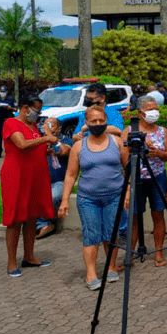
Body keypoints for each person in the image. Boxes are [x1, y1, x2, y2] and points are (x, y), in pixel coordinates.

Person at [59, 106, 128, 290]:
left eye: (101, 121)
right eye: (93, 121)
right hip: (88, 198)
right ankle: (91, 274)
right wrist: (65, 200)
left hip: (114, 196)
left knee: (112, 234)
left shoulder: (117, 142)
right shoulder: (79, 146)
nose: (98, 124)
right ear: (86, 123)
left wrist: (127, 193)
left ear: (106, 121)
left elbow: (128, 169)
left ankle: (111, 266)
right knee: (92, 235)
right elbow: (71, 175)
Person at [1, 94, 58, 277]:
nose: (38, 114)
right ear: (25, 108)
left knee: (32, 216)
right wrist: (45, 139)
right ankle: (11, 262)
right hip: (16, 176)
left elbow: (33, 146)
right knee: (16, 219)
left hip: (35, 177)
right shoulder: (11, 123)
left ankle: (29, 256)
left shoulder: (34, 126)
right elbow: (22, 145)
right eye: (36, 110)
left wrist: (45, 149)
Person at [121, 96, 167, 267]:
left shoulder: (162, 131)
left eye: (156, 109)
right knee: (134, 216)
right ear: (140, 112)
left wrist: (158, 153)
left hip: (157, 177)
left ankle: (158, 251)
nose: (154, 112)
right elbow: (124, 157)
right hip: (137, 177)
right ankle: (131, 253)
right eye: (150, 109)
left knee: (158, 213)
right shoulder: (130, 130)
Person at [36, 117, 73, 240]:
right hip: (40, 181)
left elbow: (64, 151)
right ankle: (42, 224)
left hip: (59, 181)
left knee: (54, 196)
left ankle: (45, 223)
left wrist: (52, 139)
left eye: (51, 125)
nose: (47, 128)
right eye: (45, 125)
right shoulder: (39, 141)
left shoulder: (66, 140)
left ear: (59, 129)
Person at [0, 85, 17, 158]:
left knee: (10, 137)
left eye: (4, 92)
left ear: (7, 92)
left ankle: (11, 152)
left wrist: (10, 108)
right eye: (1, 92)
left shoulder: (11, 99)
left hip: (8, 120)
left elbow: (16, 109)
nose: (3, 93)